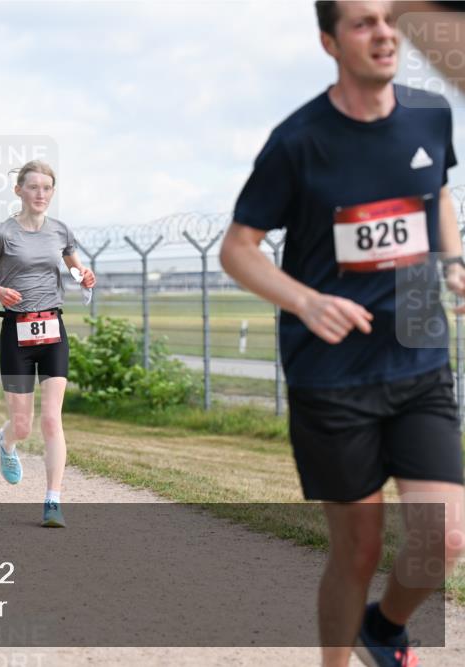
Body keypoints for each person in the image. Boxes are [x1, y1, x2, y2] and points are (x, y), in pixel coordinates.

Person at [219, 3, 464, 665]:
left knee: (443, 538)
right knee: (355, 551)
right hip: (332, 376)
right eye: (362, 22)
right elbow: (238, 249)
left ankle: (383, 628)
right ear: (329, 41)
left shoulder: (429, 114)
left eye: (389, 18)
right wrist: (305, 300)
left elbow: (435, 191)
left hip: (419, 353)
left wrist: (453, 261)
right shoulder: (298, 141)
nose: (384, 33)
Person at [0, 160, 96, 528]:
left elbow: (73, 267)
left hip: (52, 329)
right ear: (18, 190)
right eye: (33, 187)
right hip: (15, 333)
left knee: (52, 419)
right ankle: (6, 442)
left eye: (47, 188)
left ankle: (53, 500)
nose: (40, 194)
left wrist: (83, 276)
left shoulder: (61, 231)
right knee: (23, 424)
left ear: (53, 192)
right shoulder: (1, 233)